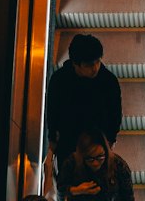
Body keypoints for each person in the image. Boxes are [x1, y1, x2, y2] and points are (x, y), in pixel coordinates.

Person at [46, 33, 123, 171]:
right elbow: (52, 112)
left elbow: (115, 113)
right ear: (76, 64)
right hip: (69, 145)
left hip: (99, 146)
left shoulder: (108, 81)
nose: (95, 68)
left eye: (98, 61)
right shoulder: (60, 81)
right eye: (89, 64)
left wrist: (110, 141)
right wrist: (52, 141)